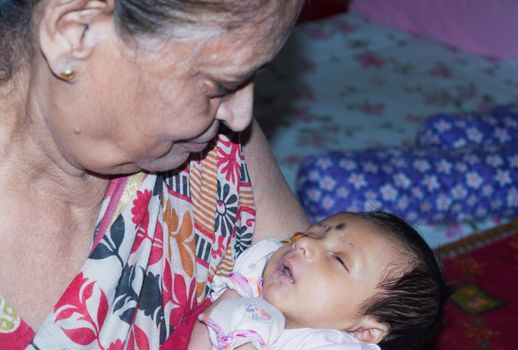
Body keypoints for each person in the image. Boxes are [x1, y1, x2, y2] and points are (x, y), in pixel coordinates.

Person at [0, 0, 310, 348]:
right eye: (220, 84)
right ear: (76, 32)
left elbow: (338, 318)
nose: (240, 117)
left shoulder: (215, 158)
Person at [191, 211, 449, 350]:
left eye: (338, 260)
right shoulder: (257, 268)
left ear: (364, 331)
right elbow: (228, 303)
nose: (303, 243)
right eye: (314, 231)